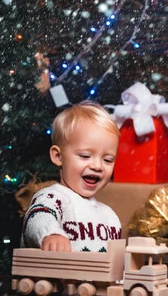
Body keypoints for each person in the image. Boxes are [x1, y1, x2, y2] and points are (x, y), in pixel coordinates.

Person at [21, 101, 122, 252]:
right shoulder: (53, 198)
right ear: (58, 156)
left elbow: (115, 264)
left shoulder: (110, 217)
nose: (98, 166)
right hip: (55, 275)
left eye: (107, 160)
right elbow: (38, 217)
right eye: (85, 156)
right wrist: (51, 234)